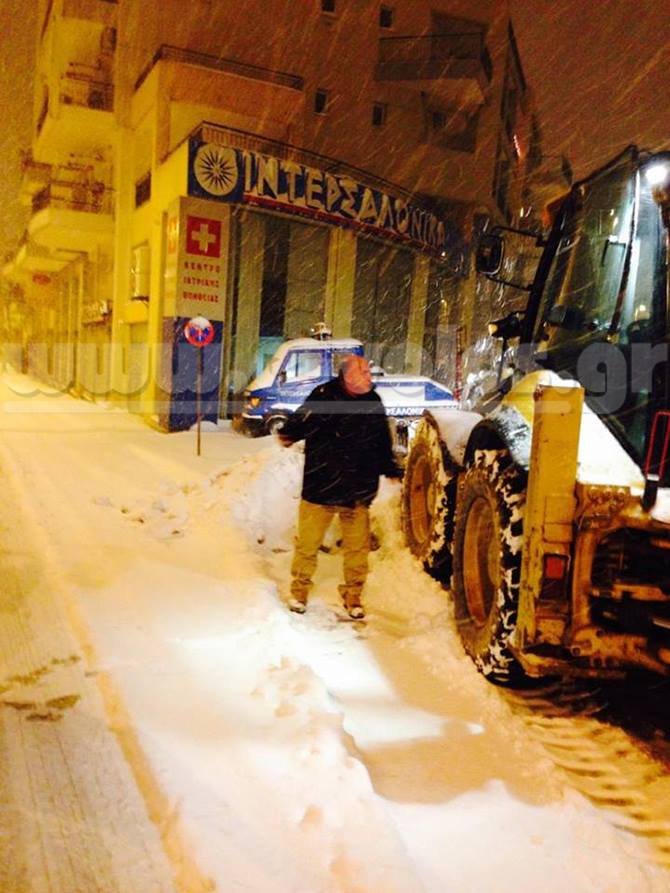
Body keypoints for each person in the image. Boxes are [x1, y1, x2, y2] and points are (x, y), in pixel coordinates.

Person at [278, 354, 402, 619]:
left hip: (357, 490)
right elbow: (302, 420)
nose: (370, 376)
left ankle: (353, 596)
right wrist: (288, 432)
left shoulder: (372, 402)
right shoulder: (324, 396)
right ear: (347, 375)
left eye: (369, 371)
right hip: (321, 487)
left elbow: (382, 440)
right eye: (365, 372)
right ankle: (299, 592)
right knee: (308, 545)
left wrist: (389, 467)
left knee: (357, 550)